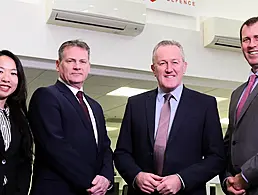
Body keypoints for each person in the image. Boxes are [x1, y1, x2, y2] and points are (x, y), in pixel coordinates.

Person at [114, 40, 225, 195]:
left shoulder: (204, 105)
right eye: (162, 63)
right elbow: (122, 153)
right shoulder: (136, 104)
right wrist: (137, 176)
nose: (169, 69)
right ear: (153, 69)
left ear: (184, 67)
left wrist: (182, 180)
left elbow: (216, 158)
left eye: (175, 62)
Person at [28, 40, 114, 195]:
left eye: (83, 61)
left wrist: (106, 177)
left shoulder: (95, 107)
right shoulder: (46, 96)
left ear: (89, 67)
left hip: (93, 189)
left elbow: (105, 148)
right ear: (58, 64)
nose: (77, 66)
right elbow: (55, 146)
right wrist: (92, 181)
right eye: (70, 61)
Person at [220, 16, 258, 195]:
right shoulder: (238, 93)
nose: (251, 44)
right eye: (246, 39)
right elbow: (230, 142)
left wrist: (245, 177)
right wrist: (227, 178)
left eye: (257, 38)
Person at [0, 50, 33, 195]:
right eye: (0, 71)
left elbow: (24, 162)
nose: (6, 79)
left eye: (13, 73)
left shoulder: (19, 118)